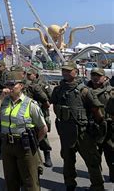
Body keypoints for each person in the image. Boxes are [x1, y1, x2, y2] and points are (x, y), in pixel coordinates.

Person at [0, 66, 48, 191]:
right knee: (11, 181)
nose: (9, 88)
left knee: (30, 182)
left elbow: (43, 128)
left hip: (25, 146)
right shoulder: (3, 102)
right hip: (7, 145)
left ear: (21, 86)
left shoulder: (30, 104)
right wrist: (0, 98)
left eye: (13, 85)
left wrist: (34, 142)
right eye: (7, 84)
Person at [51, 61, 105, 191]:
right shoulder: (58, 90)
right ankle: (70, 184)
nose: (66, 73)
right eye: (64, 70)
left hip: (83, 132)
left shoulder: (84, 91)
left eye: (69, 71)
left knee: (92, 160)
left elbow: (96, 110)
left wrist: (98, 125)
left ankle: (97, 186)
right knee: (68, 160)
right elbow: (55, 106)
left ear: (76, 72)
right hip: (66, 131)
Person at [87, 67, 114, 182]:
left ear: (105, 77)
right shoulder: (85, 91)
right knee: (93, 158)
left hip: (109, 130)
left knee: (112, 156)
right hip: (92, 129)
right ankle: (97, 184)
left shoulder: (112, 91)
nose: (95, 78)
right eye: (93, 75)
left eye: (98, 75)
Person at [24, 68, 53, 167]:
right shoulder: (26, 85)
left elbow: (49, 97)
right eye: (27, 74)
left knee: (43, 134)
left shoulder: (42, 84)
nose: (28, 76)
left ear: (35, 75)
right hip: (29, 112)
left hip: (41, 111)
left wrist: (43, 106)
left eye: (30, 74)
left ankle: (47, 154)